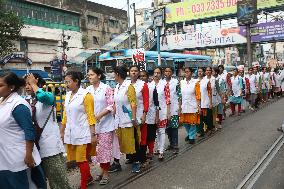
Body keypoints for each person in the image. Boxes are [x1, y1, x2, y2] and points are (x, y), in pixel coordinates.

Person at [25, 73, 71, 189]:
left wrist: (34, 85)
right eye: (25, 84)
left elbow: (44, 97)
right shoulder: (26, 100)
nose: (27, 86)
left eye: (29, 83)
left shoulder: (47, 96)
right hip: (35, 149)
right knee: (39, 182)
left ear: (37, 82)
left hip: (50, 149)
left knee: (59, 182)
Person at [0, 72, 43, 189]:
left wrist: (28, 155)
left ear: (12, 87)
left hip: (18, 157)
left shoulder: (18, 105)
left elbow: (29, 131)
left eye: (0, 85)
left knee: (20, 185)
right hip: (4, 156)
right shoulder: (2, 101)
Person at [60, 71, 96, 189]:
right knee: (78, 159)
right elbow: (65, 115)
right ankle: (88, 177)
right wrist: (62, 130)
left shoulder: (86, 95)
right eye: (65, 82)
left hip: (83, 133)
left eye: (68, 82)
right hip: (71, 133)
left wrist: (93, 134)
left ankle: (83, 185)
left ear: (76, 81)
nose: (66, 84)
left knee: (81, 160)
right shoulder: (68, 95)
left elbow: (91, 115)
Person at [86, 68, 115, 185]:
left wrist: (99, 116)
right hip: (92, 127)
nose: (89, 77)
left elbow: (111, 105)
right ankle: (102, 171)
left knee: (105, 151)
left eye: (92, 75)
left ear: (98, 75)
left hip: (106, 125)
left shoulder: (106, 88)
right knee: (96, 151)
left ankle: (106, 174)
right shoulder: (87, 90)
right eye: (88, 75)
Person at [113, 66, 140, 172]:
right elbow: (116, 102)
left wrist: (133, 118)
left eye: (114, 74)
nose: (113, 76)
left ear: (118, 75)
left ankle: (136, 162)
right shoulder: (117, 86)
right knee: (124, 142)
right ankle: (130, 159)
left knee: (132, 141)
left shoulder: (129, 86)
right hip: (119, 120)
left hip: (129, 119)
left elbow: (133, 103)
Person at [152, 67, 170, 161]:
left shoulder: (165, 84)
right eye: (155, 72)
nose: (156, 74)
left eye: (158, 73)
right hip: (152, 113)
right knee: (155, 132)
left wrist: (168, 112)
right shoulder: (149, 84)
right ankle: (158, 148)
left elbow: (167, 99)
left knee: (161, 131)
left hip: (162, 112)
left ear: (161, 74)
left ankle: (161, 151)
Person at [180, 67, 201, 144]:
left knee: (192, 122)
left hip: (193, 105)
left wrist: (199, 106)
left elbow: (198, 95)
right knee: (185, 122)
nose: (186, 73)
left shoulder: (196, 82)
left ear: (191, 73)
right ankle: (189, 134)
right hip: (184, 105)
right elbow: (180, 95)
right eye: (185, 72)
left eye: (188, 72)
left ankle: (191, 137)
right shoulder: (181, 82)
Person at [164, 66, 181, 154]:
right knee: (167, 128)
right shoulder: (161, 82)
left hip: (174, 108)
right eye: (166, 71)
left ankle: (175, 145)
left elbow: (179, 95)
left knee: (174, 127)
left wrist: (179, 108)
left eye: (169, 71)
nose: (167, 73)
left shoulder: (175, 82)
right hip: (164, 110)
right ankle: (171, 143)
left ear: (172, 72)